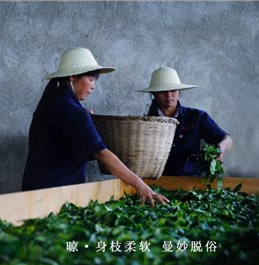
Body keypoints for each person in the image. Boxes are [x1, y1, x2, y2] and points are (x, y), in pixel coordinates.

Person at [22, 47, 168, 206]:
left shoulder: (52, 103)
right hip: (57, 194)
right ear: (73, 76)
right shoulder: (72, 111)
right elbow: (102, 154)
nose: (93, 86)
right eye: (91, 80)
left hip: (34, 190)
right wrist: (140, 185)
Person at [137, 66, 233, 176]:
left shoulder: (197, 117)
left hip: (191, 182)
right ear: (154, 94)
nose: (169, 95)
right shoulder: (143, 123)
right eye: (162, 91)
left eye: (173, 90)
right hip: (155, 182)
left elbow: (226, 139)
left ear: (179, 92)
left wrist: (221, 149)